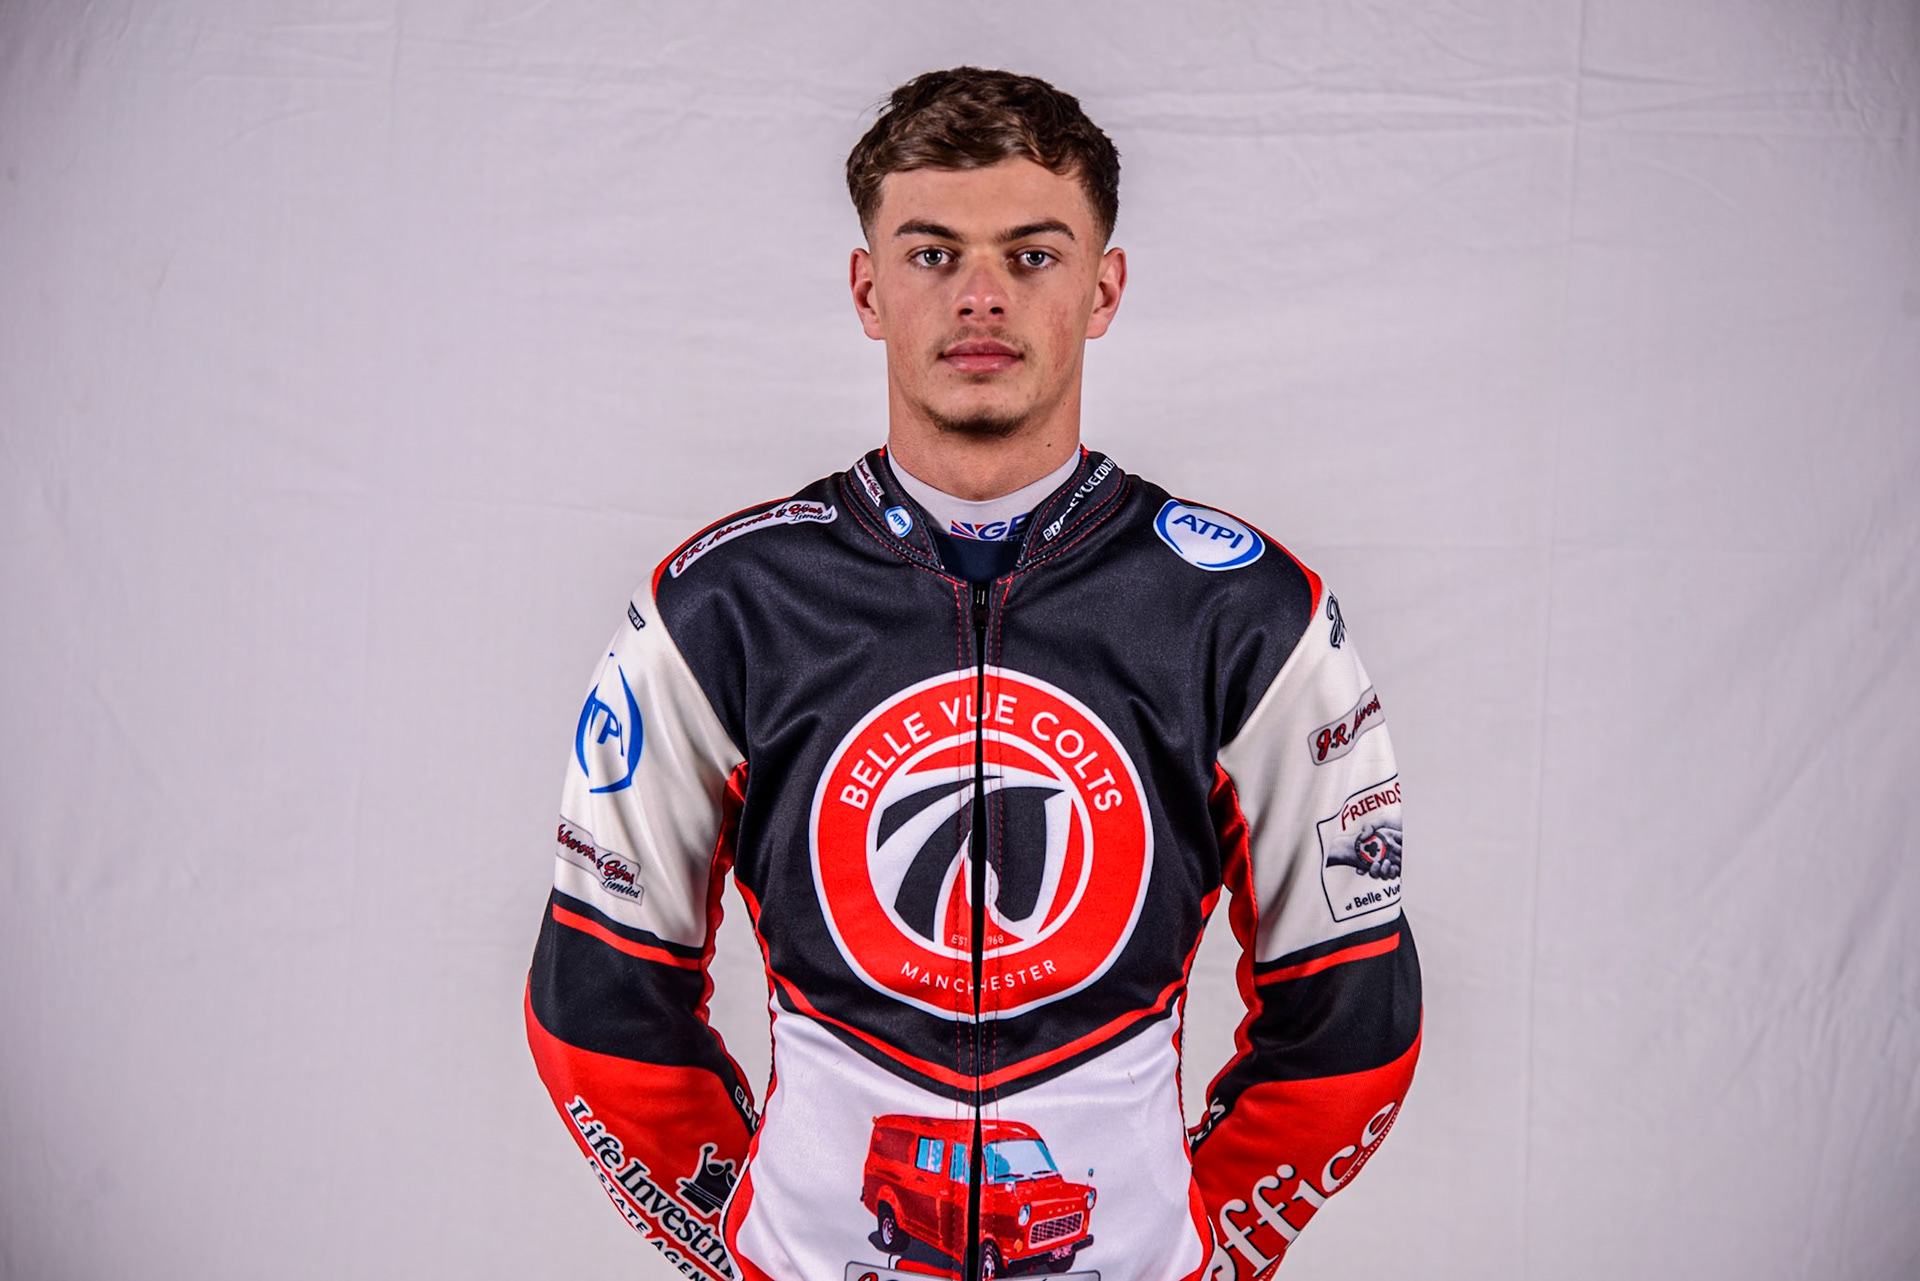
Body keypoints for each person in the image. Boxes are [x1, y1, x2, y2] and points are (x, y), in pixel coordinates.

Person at [526, 66, 1420, 1281]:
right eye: (934, 254)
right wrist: (740, 1244)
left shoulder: (1247, 615)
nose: (983, 297)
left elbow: (1351, 1020)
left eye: (1035, 256)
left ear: (1104, 288)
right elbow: (598, 1001)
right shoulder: (721, 609)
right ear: (868, 288)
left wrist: (1202, 1248)